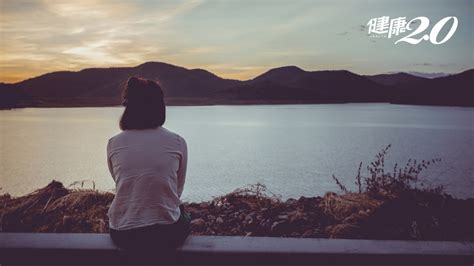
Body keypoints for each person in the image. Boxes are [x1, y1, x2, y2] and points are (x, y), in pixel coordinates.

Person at [106, 77, 190, 264]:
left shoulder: (114, 143)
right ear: (159, 106)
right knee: (184, 215)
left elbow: (121, 183)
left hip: (123, 233)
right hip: (167, 233)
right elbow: (177, 189)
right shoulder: (177, 141)